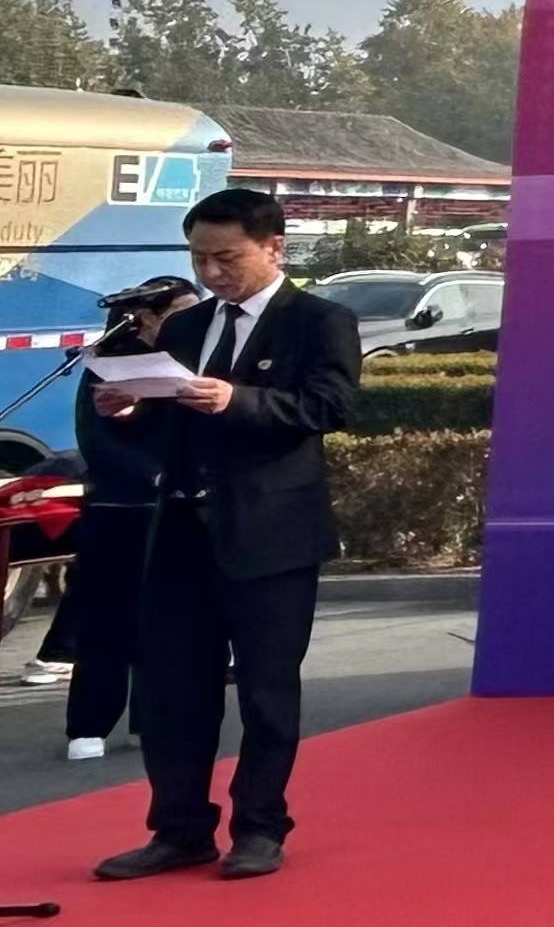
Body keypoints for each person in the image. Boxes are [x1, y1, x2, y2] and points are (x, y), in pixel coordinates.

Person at [86, 188, 361, 881]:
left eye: (227, 258)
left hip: (271, 533)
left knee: (267, 691)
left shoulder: (320, 320)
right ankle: (179, 829)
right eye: (199, 258)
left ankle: (260, 828)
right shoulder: (186, 326)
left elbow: (329, 406)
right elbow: (165, 428)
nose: (211, 273)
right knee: (171, 690)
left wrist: (239, 399)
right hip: (181, 530)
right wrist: (129, 410)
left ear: (274, 247)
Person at [28, 275, 200, 760]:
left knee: (168, 620)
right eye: (182, 312)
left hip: (181, 506)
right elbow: (97, 441)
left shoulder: (195, 360)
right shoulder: (109, 363)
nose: (193, 321)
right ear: (145, 317)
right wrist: (154, 475)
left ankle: (151, 718)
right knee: (106, 619)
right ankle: (89, 724)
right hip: (119, 507)